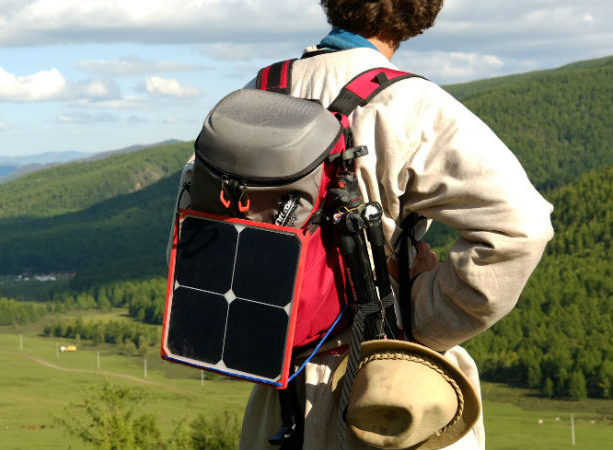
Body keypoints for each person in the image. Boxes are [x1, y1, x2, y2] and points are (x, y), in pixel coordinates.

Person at [235, 1, 554, 449]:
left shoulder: (255, 96)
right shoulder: (410, 103)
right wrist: (424, 315)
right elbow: (522, 228)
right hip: (391, 392)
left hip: (277, 392)